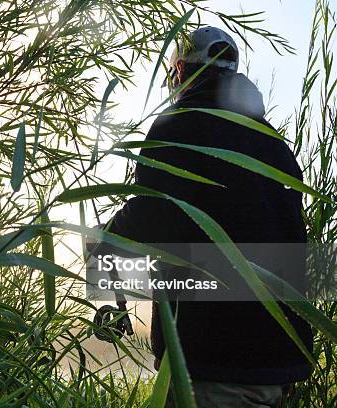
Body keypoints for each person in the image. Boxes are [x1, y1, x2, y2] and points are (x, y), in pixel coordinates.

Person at [104, 26, 313, 407]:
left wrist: (108, 243)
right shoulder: (272, 140)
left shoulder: (178, 125)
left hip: (213, 365)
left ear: (180, 72)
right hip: (282, 365)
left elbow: (149, 216)